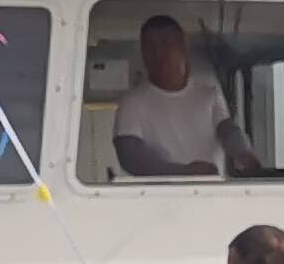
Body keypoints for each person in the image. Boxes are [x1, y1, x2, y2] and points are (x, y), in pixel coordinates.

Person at [110, 15, 259, 178]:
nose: (157, 53)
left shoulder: (209, 92)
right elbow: (130, 157)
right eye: (150, 46)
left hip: (212, 193)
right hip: (160, 194)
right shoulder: (131, 102)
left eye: (165, 44)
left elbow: (228, 130)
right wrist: (185, 173)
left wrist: (244, 154)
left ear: (183, 46)